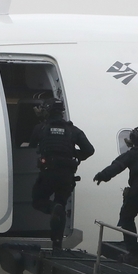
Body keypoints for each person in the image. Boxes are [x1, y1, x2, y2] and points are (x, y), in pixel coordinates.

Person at [29, 98, 95, 249]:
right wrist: (74, 154)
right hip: (66, 175)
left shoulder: (41, 128)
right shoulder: (73, 130)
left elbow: (32, 144)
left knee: (38, 200)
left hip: (48, 173)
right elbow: (89, 150)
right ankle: (57, 243)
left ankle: (52, 208)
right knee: (61, 205)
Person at [93, 125, 138, 266]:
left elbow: (117, 166)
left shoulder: (134, 153)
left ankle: (134, 253)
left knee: (126, 219)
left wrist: (102, 176)